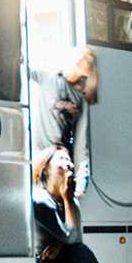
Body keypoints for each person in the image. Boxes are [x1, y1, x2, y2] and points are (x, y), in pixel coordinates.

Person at [35, 45, 97, 196]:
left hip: (59, 160)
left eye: (86, 63)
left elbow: (81, 142)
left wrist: (81, 178)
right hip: (40, 154)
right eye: (80, 59)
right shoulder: (47, 76)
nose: (81, 64)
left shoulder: (79, 98)